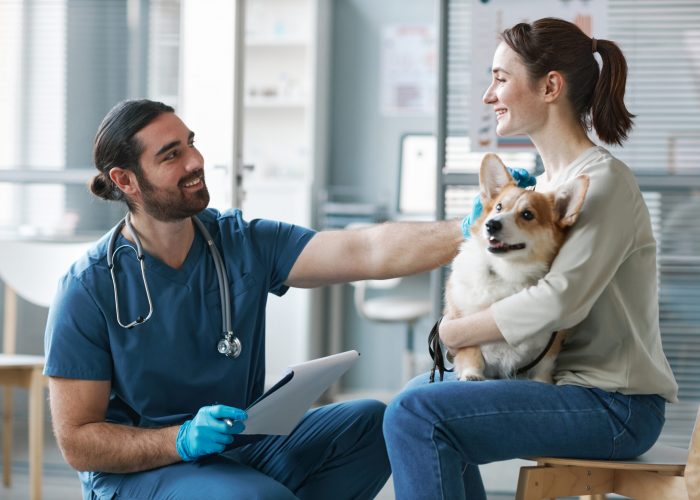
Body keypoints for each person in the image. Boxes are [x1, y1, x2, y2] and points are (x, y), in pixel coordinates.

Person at [43, 98, 469, 499]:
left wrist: (476, 230)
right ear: (125, 180)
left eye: (191, 144)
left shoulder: (241, 241)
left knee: (375, 425)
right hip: (142, 472)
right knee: (255, 496)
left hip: (238, 444)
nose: (195, 162)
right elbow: (78, 441)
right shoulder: (90, 287)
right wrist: (181, 439)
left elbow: (366, 250)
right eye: (171, 155)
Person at [382, 17, 679, 500]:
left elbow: (561, 302)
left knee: (417, 414)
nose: (488, 95)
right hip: (558, 387)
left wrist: (454, 332)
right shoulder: (541, 190)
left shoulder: (601, 183)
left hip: (614, 406)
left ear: (550, 87)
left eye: (500, 79)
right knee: (415, 399)